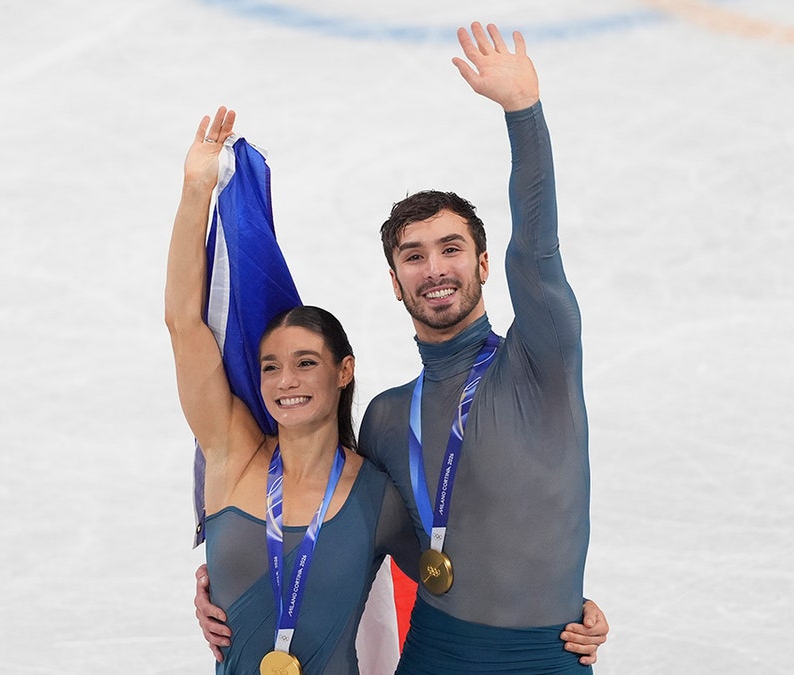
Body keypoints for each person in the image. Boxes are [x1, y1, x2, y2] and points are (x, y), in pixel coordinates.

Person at [195, 22, 609, 671]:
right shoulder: (387, 419)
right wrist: (229, 573)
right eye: (413, 256)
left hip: (544, 654)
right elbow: (335, 529)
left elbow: (538, 248)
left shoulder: (540, 364)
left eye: (451, 249)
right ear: (394, 281)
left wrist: (522, 112)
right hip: (433, 655)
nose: (434, 267)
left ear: (483, 264)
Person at [167, 108, 419, 673]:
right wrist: (194, 192)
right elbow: (185, 326)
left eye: (306, 363)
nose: (286, 381)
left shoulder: (377, 495)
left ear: (343, 372)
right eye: (271, 367)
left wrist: (567, 610)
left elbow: (454, 582)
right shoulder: (230, 457)